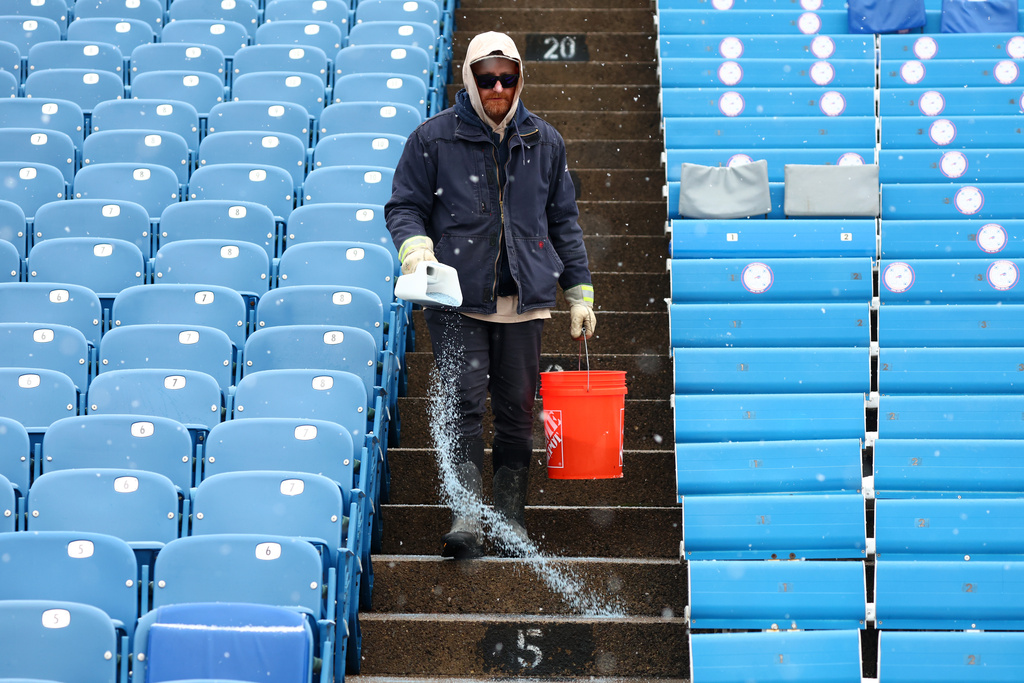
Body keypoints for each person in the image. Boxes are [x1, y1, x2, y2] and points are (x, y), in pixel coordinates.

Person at [385, 31, 596, 559]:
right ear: (470, 81)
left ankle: (508, 520)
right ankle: (466, 515)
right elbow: (404, 205)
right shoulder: (432, 138)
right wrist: (415, 247)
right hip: (458, 296)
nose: (498, 87)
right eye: (487, 78)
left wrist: (580, 293)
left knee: (517, 410)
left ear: (519, 77)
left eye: (507, 77)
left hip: (525, 298)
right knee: (462, 405)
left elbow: (563, 221)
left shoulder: (545, 141)